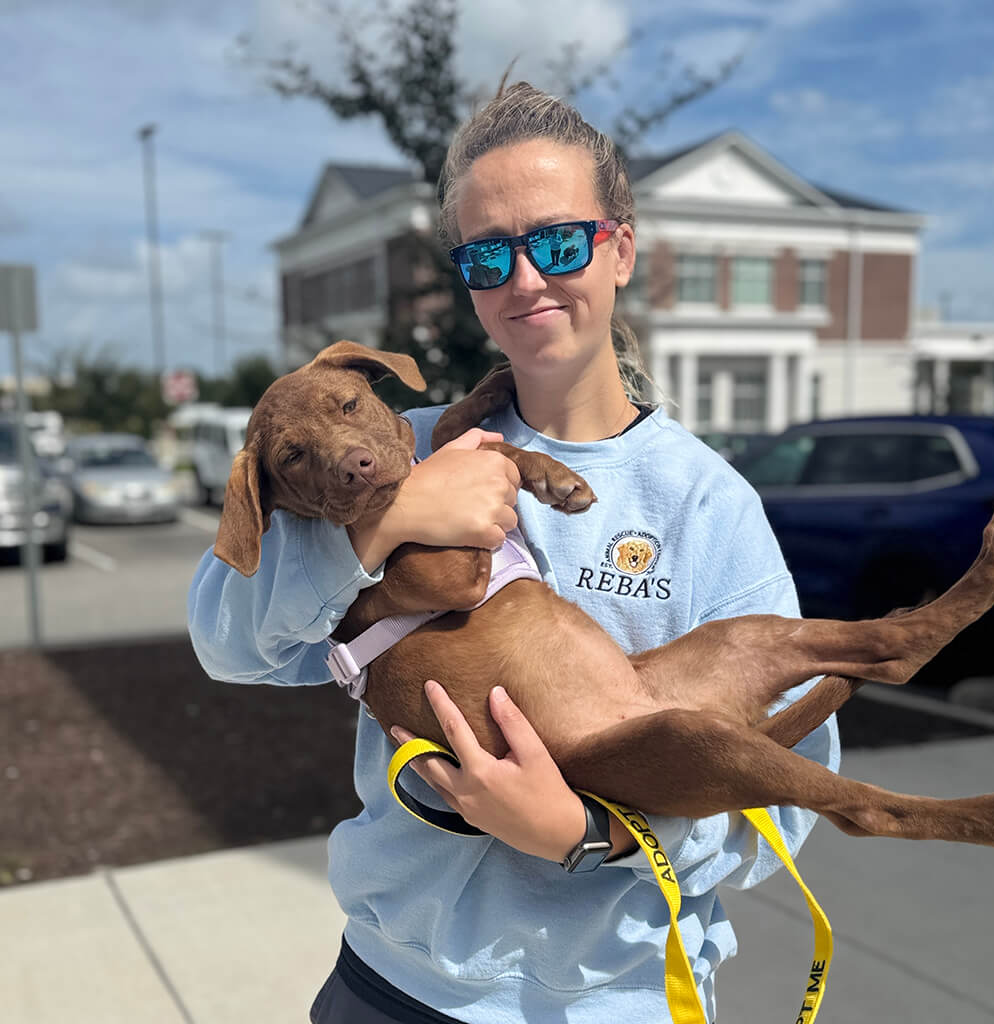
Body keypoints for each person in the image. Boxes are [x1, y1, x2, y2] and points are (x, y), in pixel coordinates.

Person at [188, 80, 840, 1024]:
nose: (526, 279)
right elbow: (228, 643)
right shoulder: (373, 449)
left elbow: (789, 789)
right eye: (490, 255)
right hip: (392, 982)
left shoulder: (704, 501)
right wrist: (384, 523)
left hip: (607, 1000)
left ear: (619, 249)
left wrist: (592, 834)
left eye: (560, 242)